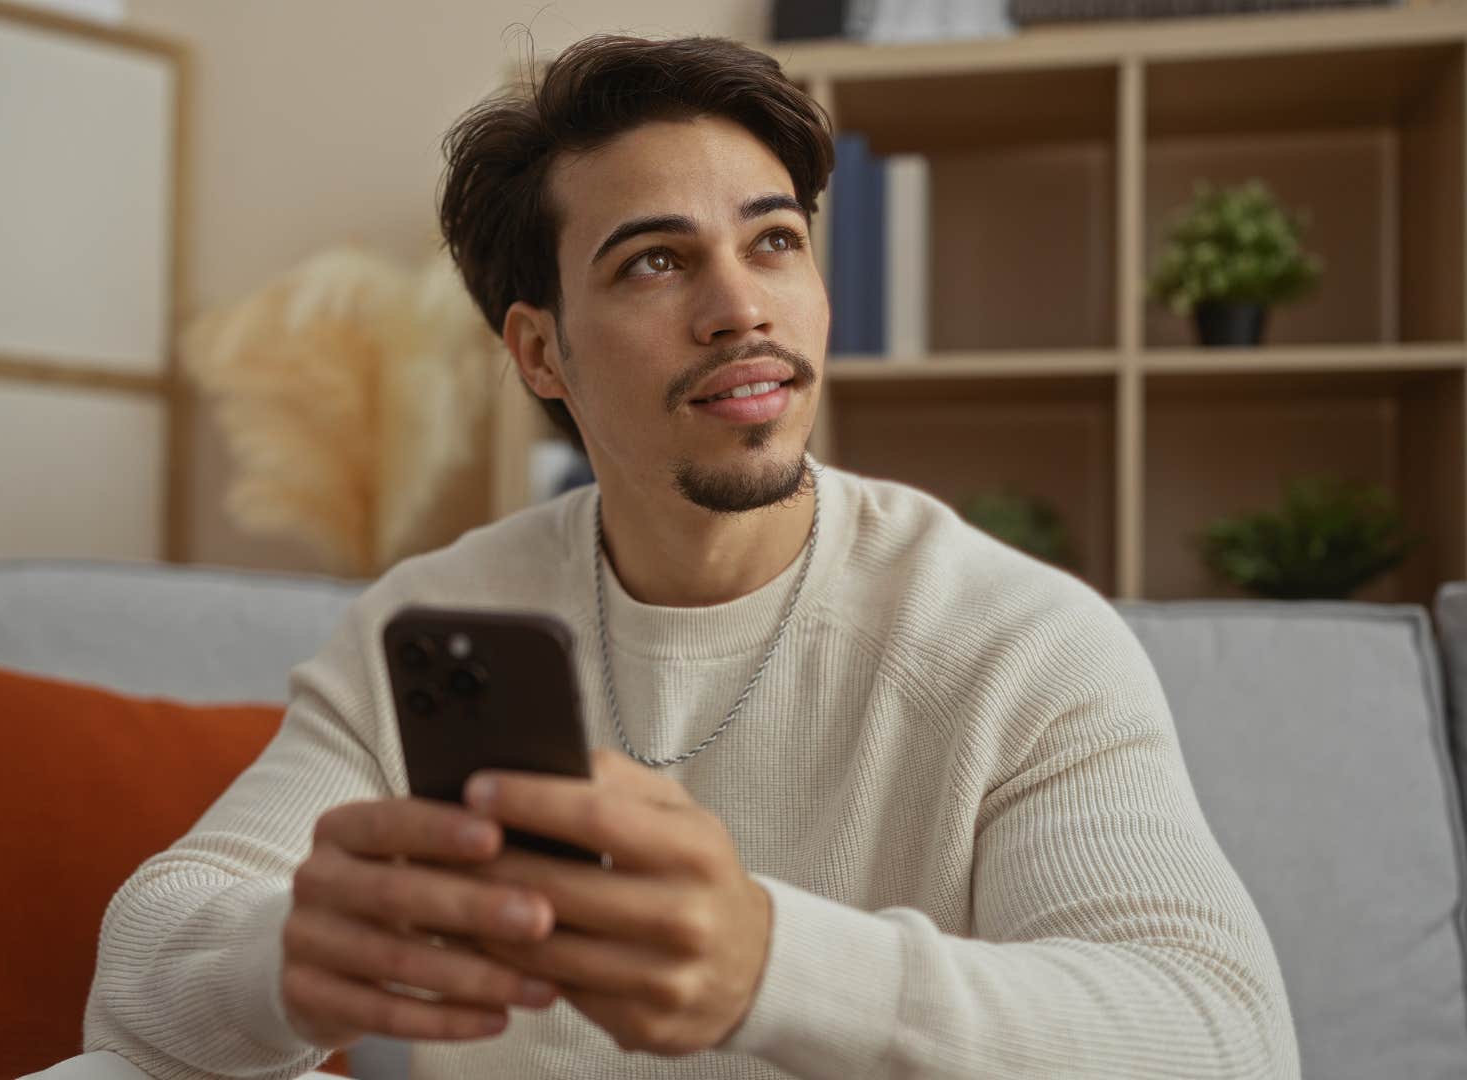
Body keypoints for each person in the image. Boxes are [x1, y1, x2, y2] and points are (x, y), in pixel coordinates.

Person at [84, 33, 1298, 1079]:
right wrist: (291, 955)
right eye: (654, 261)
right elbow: (147, 964)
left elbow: (1224, 1037)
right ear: (542, 353)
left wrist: (773, 964)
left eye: (774, 243)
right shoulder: (442, 619)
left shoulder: (1013, 639)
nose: (739, 307)